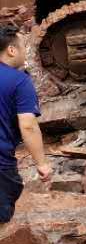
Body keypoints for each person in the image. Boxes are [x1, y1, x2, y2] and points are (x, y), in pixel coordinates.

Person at [1, 24, 51, 223]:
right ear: (11, 50)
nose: (26, 51)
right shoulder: (19, 81)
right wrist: (42, 164)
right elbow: (28, 125)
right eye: (23, 46)